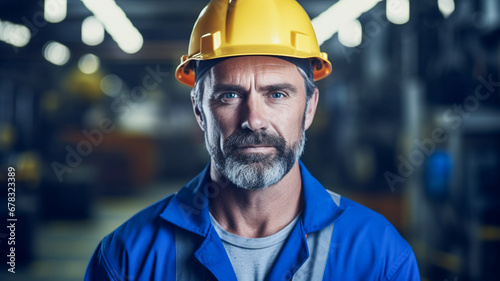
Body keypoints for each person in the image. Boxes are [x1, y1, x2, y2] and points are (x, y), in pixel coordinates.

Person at [84, 0, 420, 280]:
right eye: (229, 95)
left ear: (310, 107)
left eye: (276, 94)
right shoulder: (126, 259)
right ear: (199, 111)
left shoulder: (379, 257)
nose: (254, 119)